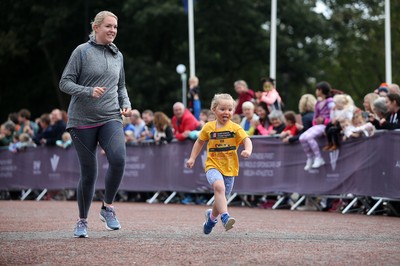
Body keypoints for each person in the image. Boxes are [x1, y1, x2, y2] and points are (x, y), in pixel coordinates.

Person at [59, 11, 132, 238]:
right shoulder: (82, 51)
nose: (113, 30)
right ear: (96, 27)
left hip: (111, 116)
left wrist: (126, 103)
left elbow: (120, 86)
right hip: (82, 121)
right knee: (89, 172)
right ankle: (82, 221)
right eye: (109, 26)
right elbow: (65, 82)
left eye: (116, 27)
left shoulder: (117, 54)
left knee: (119, 159)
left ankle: (107, 207)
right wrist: (88, 91)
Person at [186, 93, 252, 234]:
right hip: (213, 165)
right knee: (219, 187)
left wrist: (248, 150)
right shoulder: (208, 127)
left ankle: (211, 220)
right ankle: (225, 218)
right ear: (214, 109)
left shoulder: (235, 128)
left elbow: (247, 139)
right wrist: (192, 158)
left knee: (220, 197)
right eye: (222, 109)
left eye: (229, 109)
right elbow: (199, 142)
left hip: (230, 168)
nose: (226, 112)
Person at [299, 81, 334, 170]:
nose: (316, 91)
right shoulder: (318, 103)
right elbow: (315, 116)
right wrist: (316, 122)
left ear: (321, 91)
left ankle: (318, 157)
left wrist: (324, 121)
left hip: (325, 126)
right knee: (302, 138)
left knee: (308, 137)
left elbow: (333, 116)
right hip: (318, 126)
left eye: (317, 90)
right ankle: (310, 157)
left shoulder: (330, 102)